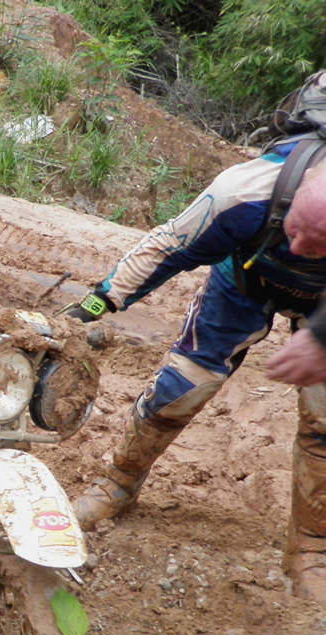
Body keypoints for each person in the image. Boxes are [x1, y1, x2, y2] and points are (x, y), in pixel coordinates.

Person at [64, 151, 326, 600]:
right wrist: (93, 306)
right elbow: (167, 246)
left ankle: (311, 545)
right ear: (292, 200)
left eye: (319, 244)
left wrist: (319, 337)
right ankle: (118, 483)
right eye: (296, 232)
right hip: (243, 279)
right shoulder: (242, 192)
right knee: (179, 387)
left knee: (324, 420)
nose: (300, 249)